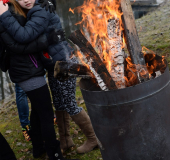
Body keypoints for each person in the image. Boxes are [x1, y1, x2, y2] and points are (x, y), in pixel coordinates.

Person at [0, 0, 98, 154]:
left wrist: (4, 15)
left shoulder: (40, 11)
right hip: (53, 64)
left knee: (69, 103)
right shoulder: (36, 7)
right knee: (59, 103)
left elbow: (24, 35)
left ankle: (93, 138)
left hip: (63, 62)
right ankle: (66, 141)